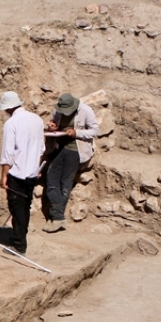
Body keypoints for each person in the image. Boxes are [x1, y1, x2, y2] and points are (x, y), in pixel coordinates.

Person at [42, 93, 99, 233]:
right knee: (51, 178)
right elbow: (54, 123)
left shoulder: (85, 110)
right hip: (59, 147)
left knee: (65, 183)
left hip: (76, 150)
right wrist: (52, 127)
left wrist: (76, 133)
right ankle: (58, 217)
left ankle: (56, 217)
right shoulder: (58, 109)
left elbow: (95, 130)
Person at [0, 90, 45, 255]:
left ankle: (19, 245)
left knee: (17, 208)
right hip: (32, 172)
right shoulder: (37, 119)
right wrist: (36, 167)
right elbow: (41, 148)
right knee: (25, 206)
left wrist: (4, 175)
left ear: (8, 108)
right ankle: (20, 236)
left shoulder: (11, 123)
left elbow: (8, 153)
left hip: (17, 173)